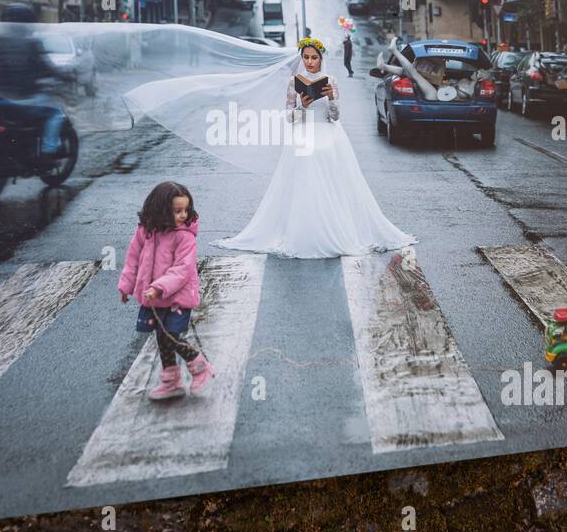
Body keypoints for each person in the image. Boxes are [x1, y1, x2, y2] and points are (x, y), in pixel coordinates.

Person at [216, 37, 415, 258]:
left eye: (314, 58)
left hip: (328, 134)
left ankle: (333, 226)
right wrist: (302, 105)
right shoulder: (293, 82)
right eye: (306, 57)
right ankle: (304, 229)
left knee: (332, 181)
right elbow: (290, 117)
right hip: (304, 133)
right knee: (303, 181)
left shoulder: (331, 80)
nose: (309, 62)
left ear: (321, 58)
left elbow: (335, 117)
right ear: (301, 58)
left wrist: (331, 98)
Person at [117, 181, 216, 401]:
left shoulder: (184, 236)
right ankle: (171, 381)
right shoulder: (146, 231)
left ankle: (200, 368)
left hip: (176, 298)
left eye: (186, 210)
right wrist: (126, 285)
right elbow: (133, 259)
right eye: (177, 211)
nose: (183, 215)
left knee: (171, 336)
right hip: (152, 298)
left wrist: (159, 287)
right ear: (160, 210)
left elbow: (183, 269)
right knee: (162, 339)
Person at [0, 2, 67, 154]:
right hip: (25, 97)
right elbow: (46, 66)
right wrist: (65, 76)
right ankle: (48, 150)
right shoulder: (32, 43)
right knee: (56, 112)